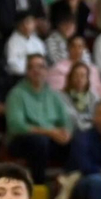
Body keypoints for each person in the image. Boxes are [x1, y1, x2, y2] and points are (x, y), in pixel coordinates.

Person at [7, 55, 72, 185]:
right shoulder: (17, 94)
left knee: (76, 141)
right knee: (40, 142)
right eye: (32, 67)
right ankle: (39, 184)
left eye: (41, 67)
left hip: (51, 138)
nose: (36, 70)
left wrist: (66, 134)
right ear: (27, 72)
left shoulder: (54, 94)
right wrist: (50, 132)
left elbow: (66, 120)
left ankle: (67, 184)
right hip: (23, 139)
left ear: (46, 71)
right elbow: (17, 126)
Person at [3, 10, 47, 77]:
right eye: (23, 23)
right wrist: (30, 71)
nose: (26, 26)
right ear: (18, 25)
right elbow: (12, 65)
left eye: (29, 22)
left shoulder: (37, 41)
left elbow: (43, 59)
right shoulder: (12, 42)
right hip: (19, 76)